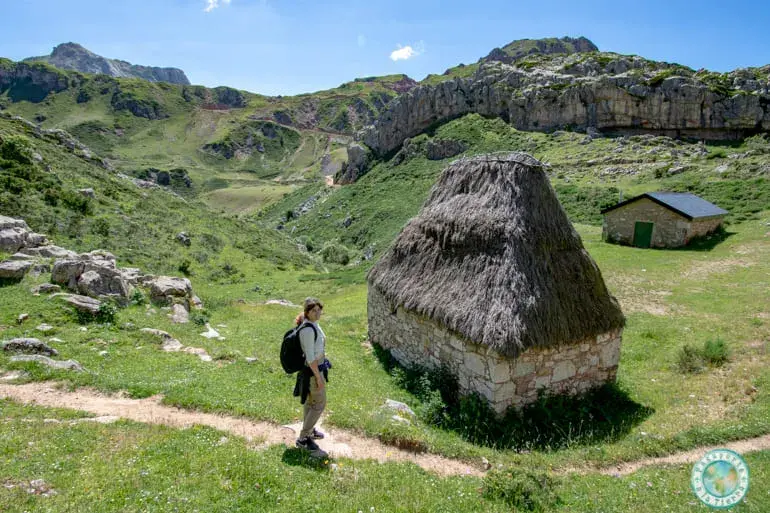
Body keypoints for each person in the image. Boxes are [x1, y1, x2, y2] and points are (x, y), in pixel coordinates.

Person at [293, 297, 331, 453]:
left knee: (311, 402)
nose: (317, 313)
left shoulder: (314, 325)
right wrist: (318, 377)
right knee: (319, 403)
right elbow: (310, 358)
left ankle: (309, 430)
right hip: (312, 371)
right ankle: (303, 438)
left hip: (315, 369)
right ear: (307, 312)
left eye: (319, 310)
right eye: (313, 310)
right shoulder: (308, 330)